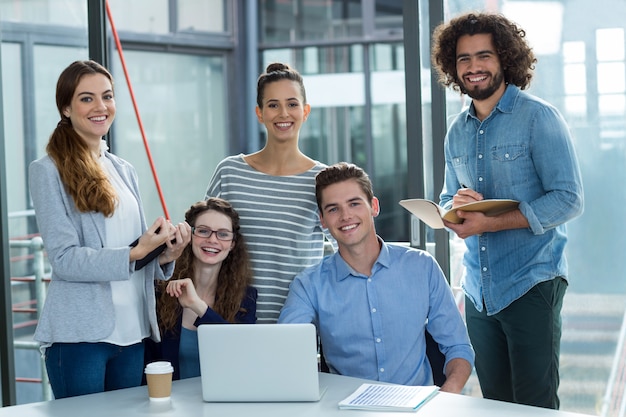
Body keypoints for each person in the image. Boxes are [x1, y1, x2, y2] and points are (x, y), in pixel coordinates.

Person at [431, 12, 584, 408]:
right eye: (463, 58)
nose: (473, 67)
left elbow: (568, 198)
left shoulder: (539, 118)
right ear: (453, 66)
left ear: (504, 59)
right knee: (494, 405)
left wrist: (492, 222)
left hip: (531, 283)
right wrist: (455, 211)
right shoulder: (456, 130)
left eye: (484, 55)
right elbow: (448, 197)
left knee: (535, 405)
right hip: (479, 294)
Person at [28, 60, 191, 399]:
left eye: (107, 96)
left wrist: (165, 255)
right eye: (87, 98)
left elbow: (136, 256)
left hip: (132, 332)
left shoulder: (123, 169)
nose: (100, 107)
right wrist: (138, 250)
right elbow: (65, 260)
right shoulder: (47, 171)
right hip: (80, 336)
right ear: (66, 107)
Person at [278, 162, 474, 393]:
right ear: (322, 220)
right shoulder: (309, 285)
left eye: (354, 203)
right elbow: (285, 350)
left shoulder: (421, 266)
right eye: (333, 209)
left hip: (418, 409)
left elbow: (458, 347)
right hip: (346, 409)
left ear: (374, 206)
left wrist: (445, 400)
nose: (345, 216)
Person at [205, 62, 334, 323]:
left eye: (292, 104)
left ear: (305, 111)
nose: (283, 113)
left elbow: (347, 246)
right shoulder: (230, 171)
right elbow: (204, 241)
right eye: (273, 105)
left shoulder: (322, 180)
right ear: (260, 113)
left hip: (297, 321)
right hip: (230, 317)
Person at [145, 198, 257, 380]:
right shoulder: (161, 290)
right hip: (171, 402)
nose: (212, 240)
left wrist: (199, 307)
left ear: (233, 244)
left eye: (223, 234)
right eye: (203, 231)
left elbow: (242, 353)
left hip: (223, 402)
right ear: (190, 236)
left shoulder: (246, 298)